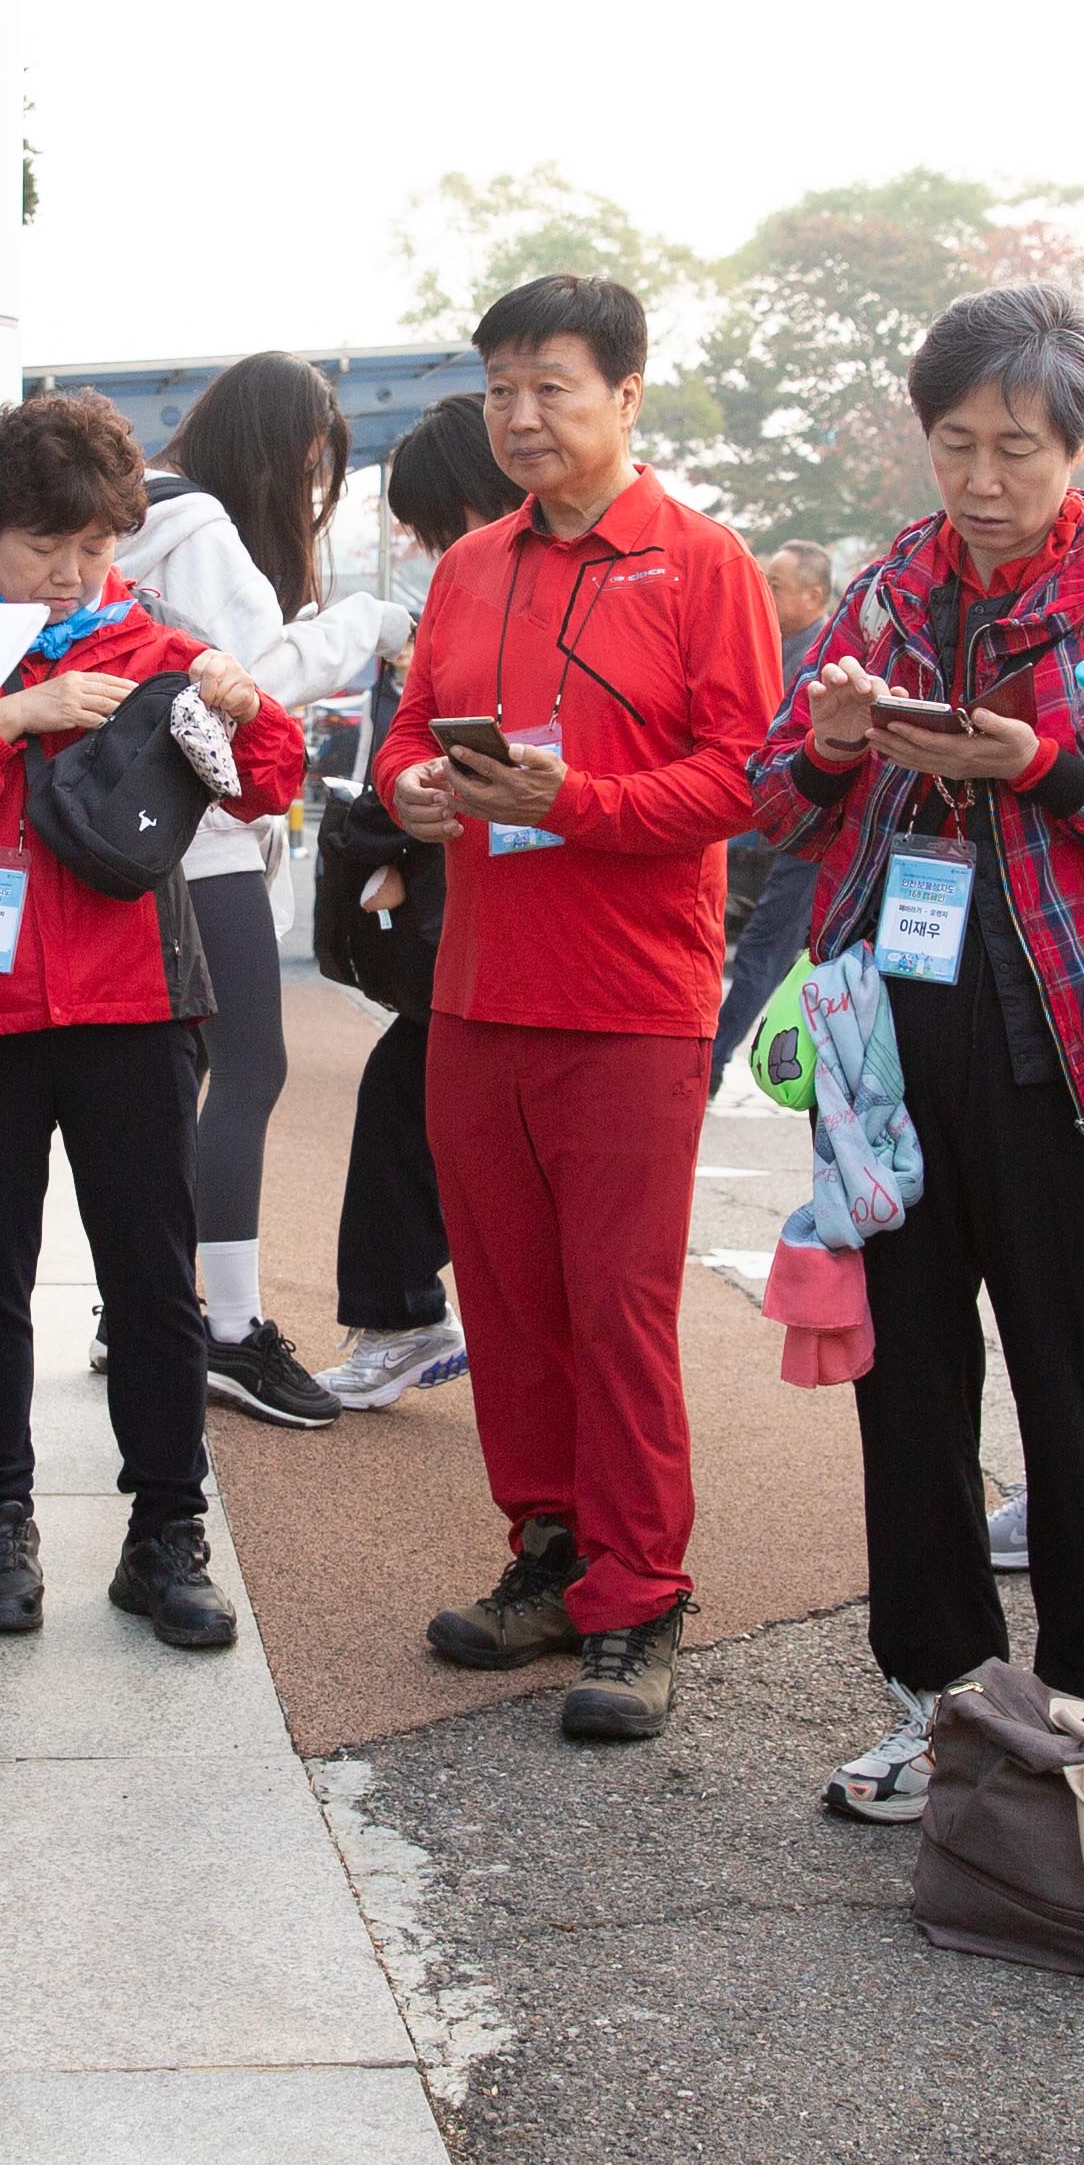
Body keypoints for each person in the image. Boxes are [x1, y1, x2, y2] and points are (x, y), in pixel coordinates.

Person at [745, 288, 1084, 1825]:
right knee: (911, 1388)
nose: (979, 479)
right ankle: (938, 1702)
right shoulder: (890, 587)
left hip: (1073, 1043)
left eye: (1015, 448)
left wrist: (1050, 765)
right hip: (887, 1037)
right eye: (954, 443)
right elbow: (774, 789)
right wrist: (835, 738)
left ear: (1076, 449)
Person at [397, 273, 787, 1743]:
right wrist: (418, 794)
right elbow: (409, 741)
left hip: (630, 1001)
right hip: (480, 990)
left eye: (551, 384)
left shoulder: (701, 565)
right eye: (500, 387)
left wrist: (586, 800)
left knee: (616, 1310)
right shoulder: (471, 565)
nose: (520, 414)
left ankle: (641, 1599)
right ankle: (546, 1556)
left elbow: (744, 777)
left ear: (627, 395)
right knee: (503, 1298)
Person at [0, 395, 308, 1643]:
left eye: (95, 547)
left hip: (135, 1003)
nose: (73, 574)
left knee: (150, 1281)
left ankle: (166, 1533)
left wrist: (239, 702)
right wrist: (14, 718)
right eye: (43, 549)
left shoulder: (153, 645)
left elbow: (274, 781)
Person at [134, 352, 414, 1431]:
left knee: (178, 1078)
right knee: (251, 1068)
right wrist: (373, 627)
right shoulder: (201, 528)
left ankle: (149, 1309)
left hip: (139, 838)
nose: (310, 495)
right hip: (201, 838)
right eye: (309, 471)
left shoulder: (142, 516)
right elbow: (255, 679)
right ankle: (232, 1330)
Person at [317, 394, 515, 1411]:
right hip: (474, 896)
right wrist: (403, 814)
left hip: (540, 917)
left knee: (430, 1103)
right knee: (413, 1094)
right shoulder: (474, 589)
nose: (441, 547)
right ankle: (403, 1313)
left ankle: (407, 1315)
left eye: (447, 523)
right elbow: (424, 740)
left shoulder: (515, 588)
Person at [708, 536, 850, 1084]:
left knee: (766, 948)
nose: (764, 593)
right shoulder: (764, 641)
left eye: (776, 585)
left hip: (809, 827)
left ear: (814, 596)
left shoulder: (830, 655)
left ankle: (715, 1061)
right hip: (756, 819)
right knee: (758, 945)